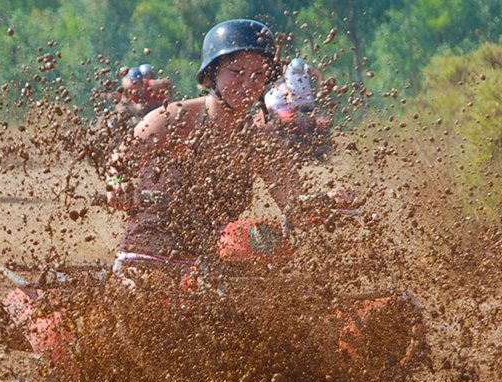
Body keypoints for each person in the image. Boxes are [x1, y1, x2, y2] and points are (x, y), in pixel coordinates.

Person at [104, 19, 341, 279]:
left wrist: (327, 202)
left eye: (258, 74)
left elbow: (294, 203)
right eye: (236, 71)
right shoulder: (171, 118)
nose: (248, 83)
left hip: (211, 271)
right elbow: (120, 163)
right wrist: (118, 183)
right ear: (212, 73)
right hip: (148, 261)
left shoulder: (261, 142)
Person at [264, 56, 333, 161]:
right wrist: (291, 101)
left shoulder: (305, 69)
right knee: (289, 123)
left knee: (319, 123)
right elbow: (287, 92)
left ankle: (319, 149)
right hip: (281, 106)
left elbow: (317, 74)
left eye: (299, 72)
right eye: (295, 72)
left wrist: (322, 84)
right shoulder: (283, 83)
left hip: (300, 102)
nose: (298, 74)